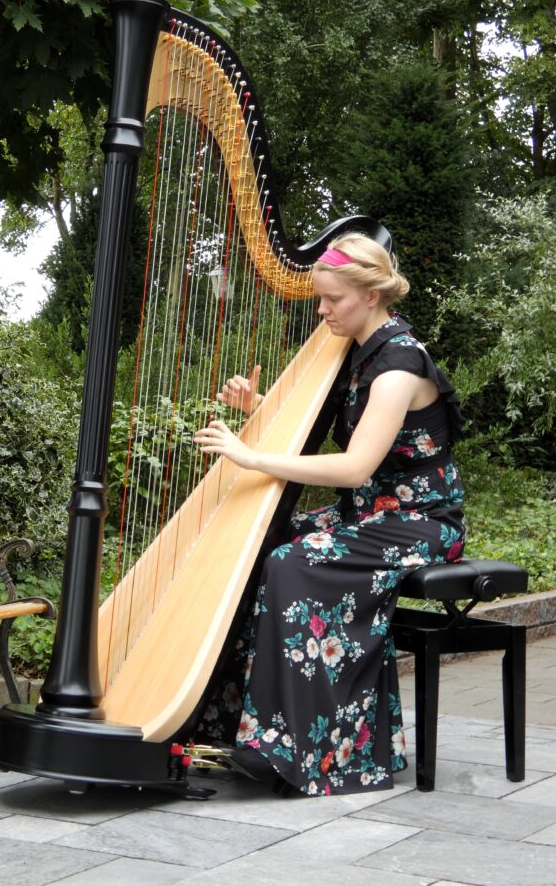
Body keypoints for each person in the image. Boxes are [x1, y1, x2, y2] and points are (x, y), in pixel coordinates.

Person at [193, 232, 465, 796]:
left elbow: (355, 467)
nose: (322, 310)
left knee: (294, 561)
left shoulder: (398, 365)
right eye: (320, 298)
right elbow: (348, 441)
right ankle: (233, 728)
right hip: (367, 517)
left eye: (333, 299)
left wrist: (251, 456)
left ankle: (312, 750)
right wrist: (259, 408)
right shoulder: (358, 354)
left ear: (370, 295)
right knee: (261, 543)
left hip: (419, 522)